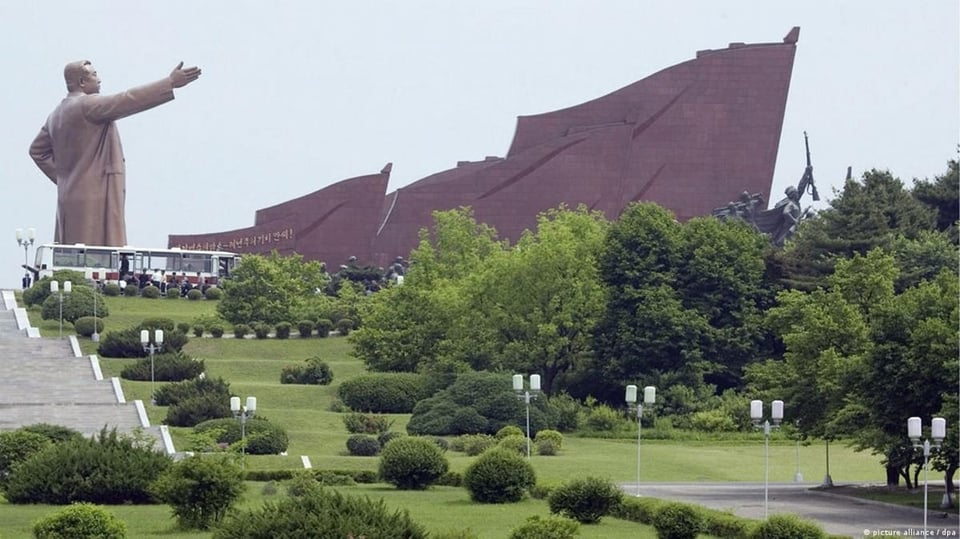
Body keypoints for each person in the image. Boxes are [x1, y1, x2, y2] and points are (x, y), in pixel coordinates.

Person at [29, 60, 202, 246]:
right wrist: (169, 83)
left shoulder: (56, 115)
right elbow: (127, 99)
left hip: (70, 196)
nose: (100, 79)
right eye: (94, 74)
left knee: (74, 254)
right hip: (94, 194)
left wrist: (66, 179)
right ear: (81, 82)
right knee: (95, 255)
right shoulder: (87, 105)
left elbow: (37, 151)